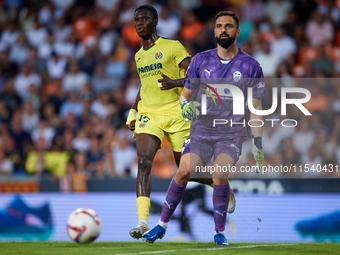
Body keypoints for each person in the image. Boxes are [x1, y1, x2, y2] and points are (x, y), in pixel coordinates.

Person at [142, 11, 265, 246]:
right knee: (184, 171)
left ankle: (219, 233)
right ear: (214, 31)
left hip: (231, 132)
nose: (223, 30)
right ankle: (161, 226)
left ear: (237, 32)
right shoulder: (200, 60)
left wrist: (258, 141)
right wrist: (186, 105)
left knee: (219, 173)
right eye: (219, 26)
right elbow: (185, 95)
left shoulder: (251, 66)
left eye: (229, 26)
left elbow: (256, 107)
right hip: (201, 130)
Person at [126, 5, 236, 240]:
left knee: (187, 170)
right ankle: (143, 222)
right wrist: (134, 110)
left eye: (144, 19)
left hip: (176, 115)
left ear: (155, 22)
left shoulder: (171, 47)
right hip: (150, 115)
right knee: (144, 161)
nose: (139, 23)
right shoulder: (138, 55)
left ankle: (222, 185)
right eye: (136, 19)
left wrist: (176, 83)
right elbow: (145, 85)